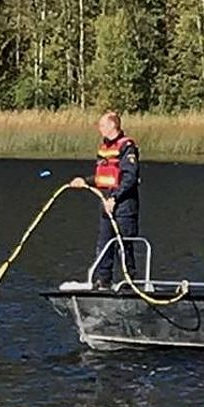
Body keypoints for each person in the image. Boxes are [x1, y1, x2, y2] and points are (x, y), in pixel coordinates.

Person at [70, 111, 140, 288]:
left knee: (124, 246)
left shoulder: (127, 147)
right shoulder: (104, 149)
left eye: (102, 124)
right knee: (104, 245)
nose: (99, 128)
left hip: (123, 206)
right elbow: (102, 177)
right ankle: (103, 281)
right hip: (106, 204)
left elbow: (130, 177)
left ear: (112, 125)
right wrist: (84, 181)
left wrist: (115, 198)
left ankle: (129, 282)